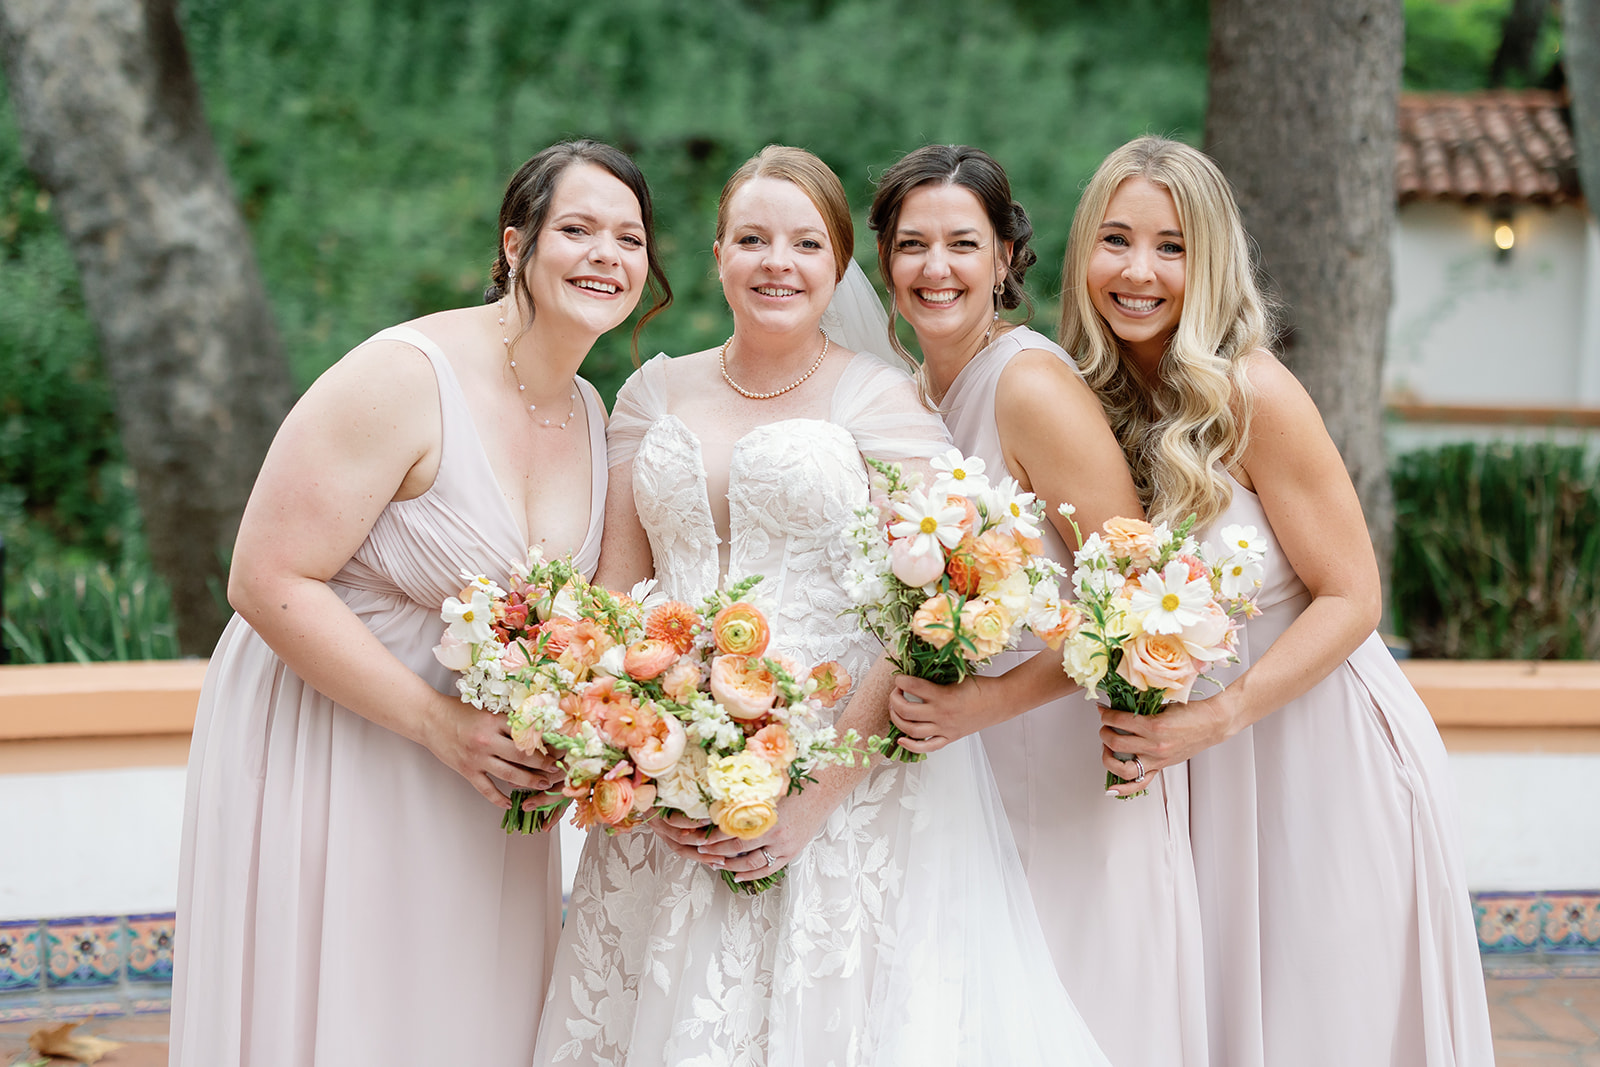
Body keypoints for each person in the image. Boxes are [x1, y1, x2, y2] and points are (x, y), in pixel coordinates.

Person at [532, 145, 1108, 1066]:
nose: (777, 262)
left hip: (839, 783)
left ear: (839, 266)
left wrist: (812, 796)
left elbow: (925, 608)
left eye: (805, 242)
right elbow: (615, 592)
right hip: (667, 787)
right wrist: (635, 752)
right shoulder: (651, 390)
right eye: (752, 238)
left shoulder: (882, 401)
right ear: (717, 253)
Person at [170, 140, 672, 1066]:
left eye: (629, 237)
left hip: (477, 771)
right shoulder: (404, 376)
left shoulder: (593, 413)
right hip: (337, 737)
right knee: (346, 1009)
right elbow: (266, 578)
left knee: (460, 1017)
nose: (607, 253)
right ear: (514, 243)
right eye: (577, 229)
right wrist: (438, 723)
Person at [1058, 135, 1494, 1065]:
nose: (1139, 271)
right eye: (1117, 239)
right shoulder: (1085, 400)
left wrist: (1221, 716)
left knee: (1325, 1025)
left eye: (1172, 246)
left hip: (1319, 756)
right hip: (1204, 776)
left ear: (1210, 260)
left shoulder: (1252, 392)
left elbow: (1354, 594)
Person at [872, 143, 1209, 1067]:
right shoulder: (897, 394)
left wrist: (984, 702)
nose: (935, 269)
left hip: (1059, 764)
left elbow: (1132, 597)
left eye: (962, 244)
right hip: (958, 776)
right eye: (911, 245)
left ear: (1006, 259)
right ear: (884, 261)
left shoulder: (1030, 384)